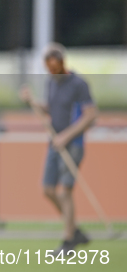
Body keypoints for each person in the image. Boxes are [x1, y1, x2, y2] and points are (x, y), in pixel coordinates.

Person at [21, 43, 98, 256]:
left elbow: (90, 115)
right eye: (48, 68)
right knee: (48, 189)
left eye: (54, 67)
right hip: (54, 143)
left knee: (65, 191)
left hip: (73, 144)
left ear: (62, 62)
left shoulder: (78, 84)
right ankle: (75, 231)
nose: (51, 72)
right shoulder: (51, 83)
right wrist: (32, 102)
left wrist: (67, 135)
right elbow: (51, 109)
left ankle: (68, 241)